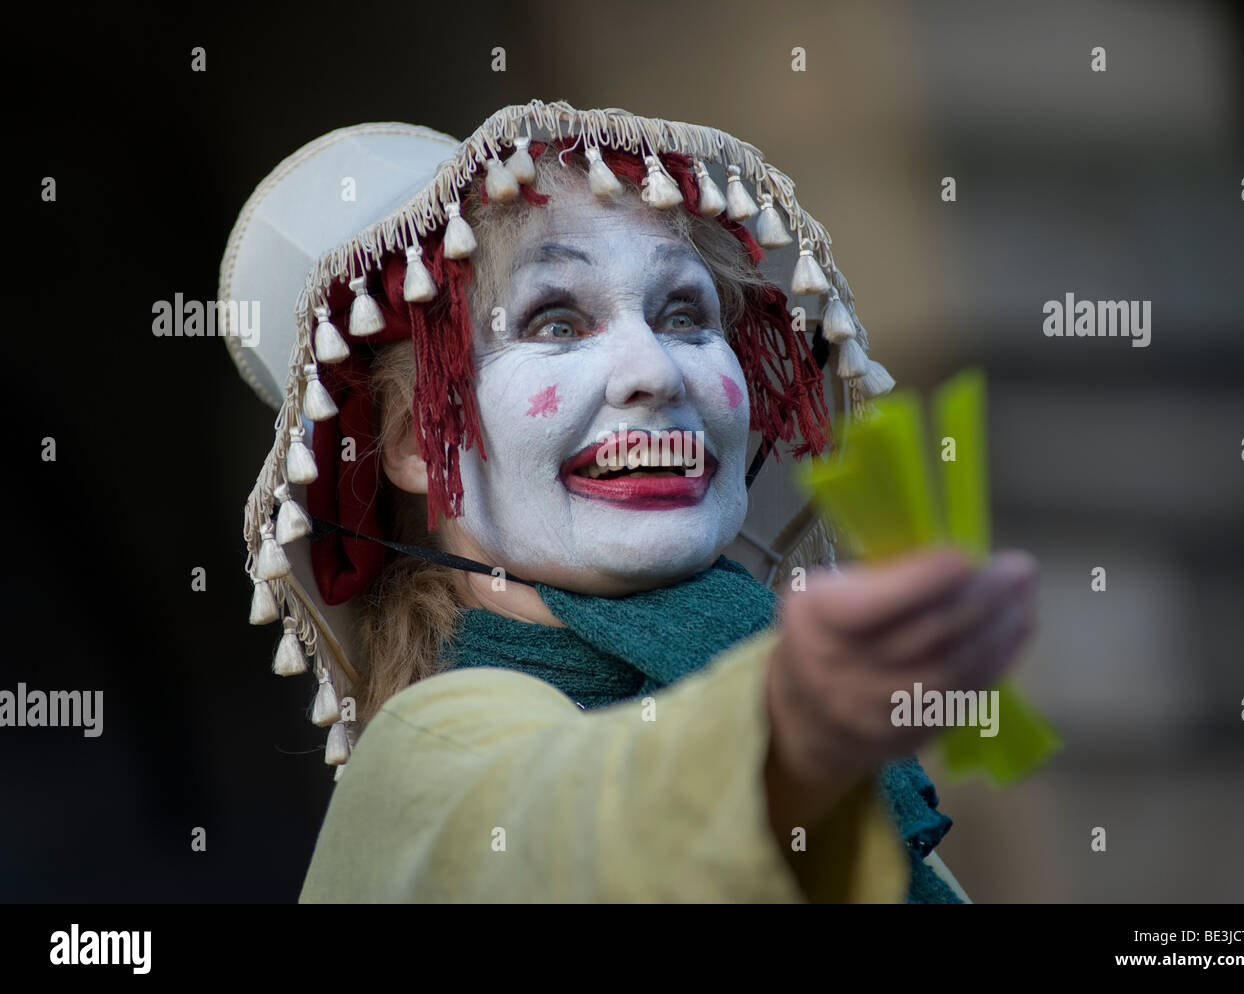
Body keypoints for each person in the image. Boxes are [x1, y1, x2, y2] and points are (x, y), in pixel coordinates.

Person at [221, 100, 1037, 903]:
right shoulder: (424, 757)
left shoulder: (857, 780)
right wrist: (785, 723)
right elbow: (578, 831)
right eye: (556, 324)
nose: (655, 371)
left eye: (685, 314)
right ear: (409, 446)